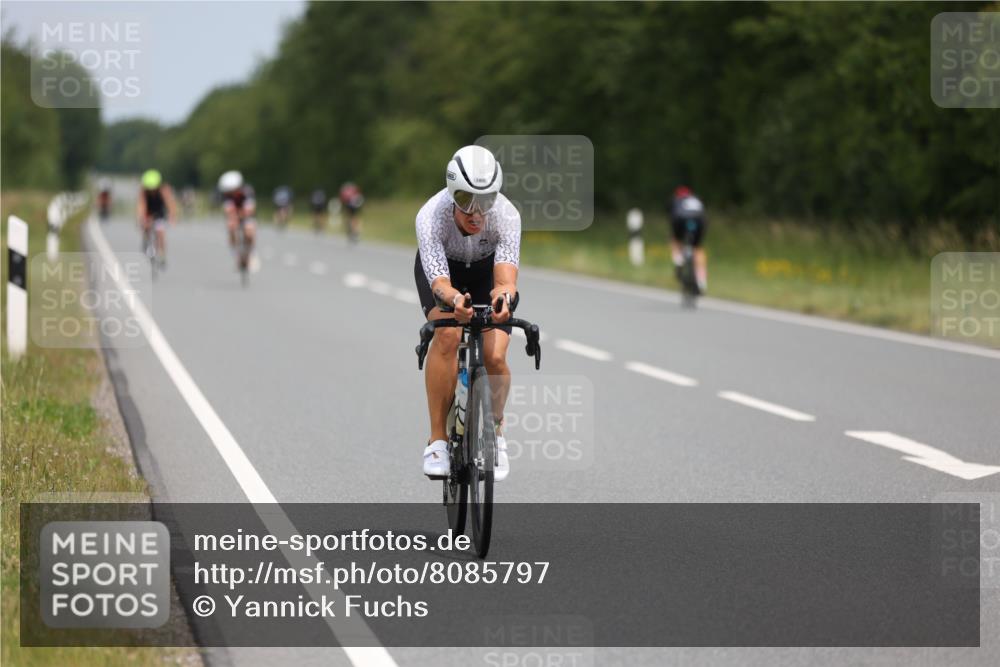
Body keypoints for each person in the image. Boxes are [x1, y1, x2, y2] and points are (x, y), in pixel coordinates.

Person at [415, 145, 520, 481]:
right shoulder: (431, 215)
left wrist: (503, 300)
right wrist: (454, 301)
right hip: (445, 275)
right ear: (450, 193)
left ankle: (495, 433)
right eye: (465, 199)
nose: (476, 212)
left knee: (496, 356)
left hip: (485, 271)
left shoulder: (508, 215)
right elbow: (440, 282)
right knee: (447, 334)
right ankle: (437, 440)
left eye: (486, 199)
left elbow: (505, 280)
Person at [670, 185, 708, 294]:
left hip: (680, 220)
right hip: (699, 221)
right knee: (698, 249)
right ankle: (702, 282)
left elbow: (672, 216)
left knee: (675, 239)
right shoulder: (696, 199)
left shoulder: (676, 200)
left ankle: (678, 260)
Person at [136, 169, 177, 267]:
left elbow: (170, 205)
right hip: (148, 212)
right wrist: (141, 219)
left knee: (160, 233)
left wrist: (172, 217)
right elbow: (141, 206)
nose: (151, 191)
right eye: (149, 188)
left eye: (153, 188)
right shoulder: (143, 192)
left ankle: (162, 255)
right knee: (146, 225)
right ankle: (146, 240)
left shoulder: (163, 190)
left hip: (160, 213)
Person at [218, 170, 258, 270]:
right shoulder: (226, 195)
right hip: (235, 215)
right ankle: (236, 256)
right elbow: (227, 209)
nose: (230, 193)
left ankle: (250, 254)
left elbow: (250, 209)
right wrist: (233, 217)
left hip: (247, 214)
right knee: (231, 227)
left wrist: (242, 214)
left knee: (249, 230)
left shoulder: (247, 192)